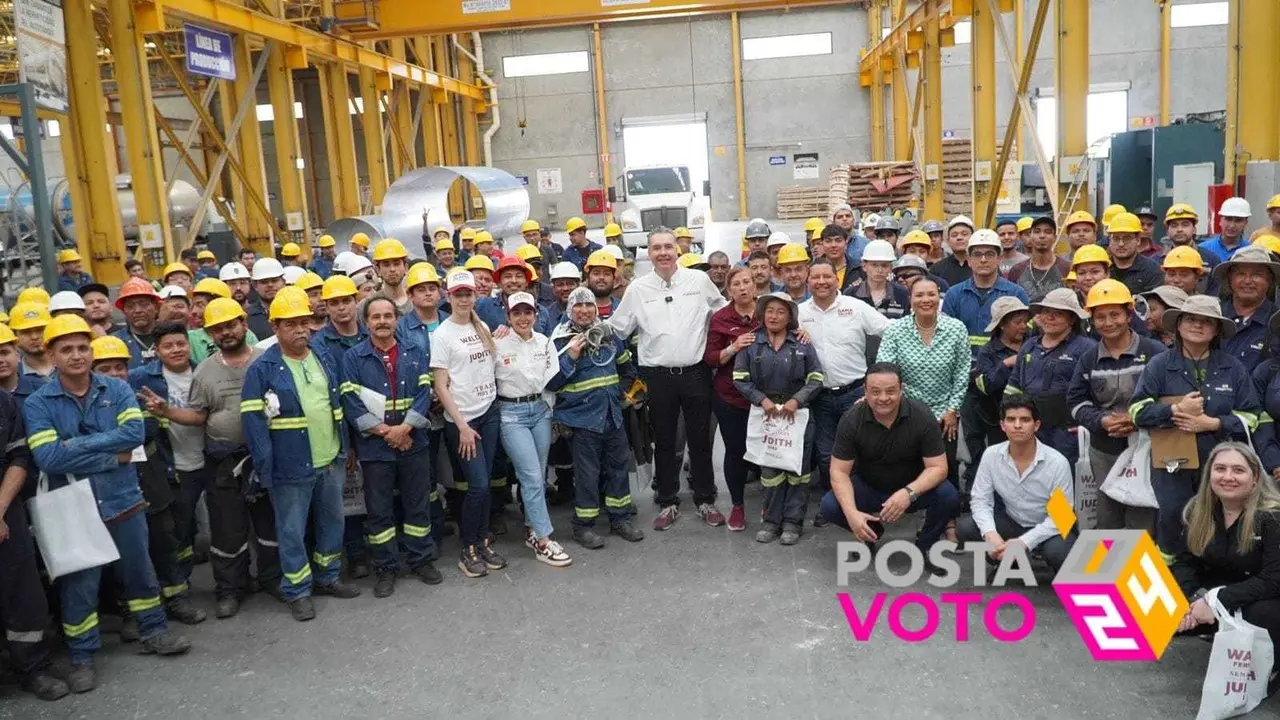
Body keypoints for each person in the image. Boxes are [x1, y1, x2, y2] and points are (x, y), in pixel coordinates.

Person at [24, 315, 191, 692]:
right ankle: (82, 655)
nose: (77, 355)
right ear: (51, 355)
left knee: (139, 570)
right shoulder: (37, 403)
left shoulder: (117, 390)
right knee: (81, 581)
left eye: (83, 347)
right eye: (66, 349)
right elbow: (48, 458)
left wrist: (75, 446)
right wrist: (110, 453)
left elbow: (132, 434)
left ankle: (154, 631)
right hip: (76, 505)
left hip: (124, 498)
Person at [139, 299, 281, 619]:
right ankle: (231, 589)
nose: (226, 332)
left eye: (230, 324)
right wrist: (168, 412)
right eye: (218, 329)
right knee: (227, 529)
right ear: (209, 335)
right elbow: (199, 416)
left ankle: (273, 579)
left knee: (268, 524)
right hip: (224, 462)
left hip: (264, 458)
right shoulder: (204, 371)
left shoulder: (267, 361)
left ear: (244, 324)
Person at [242, 287, 361, 621]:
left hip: (330, 457)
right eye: (290, 324)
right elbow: (253, 423)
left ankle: (328, 576)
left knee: (332, 521)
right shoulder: (262, 368)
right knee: (292, 530)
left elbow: (336, 405)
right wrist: (266, 468)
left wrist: (345, 445)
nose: (299, 329)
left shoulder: (321, 356)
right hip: (289, 465)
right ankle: (297, 589)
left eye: (303, 322)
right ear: (275, 327)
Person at [610, 228, 728, 531]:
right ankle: (667, 501)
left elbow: (723, 314)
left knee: (700, 440)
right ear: (647, 253)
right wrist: (584, 328)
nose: (663, 252)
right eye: (656, 248)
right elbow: (618, 328)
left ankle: (705, 499)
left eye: (668, 247)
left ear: (677, 250)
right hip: (658, 377)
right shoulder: (638, 289)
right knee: (664, 441)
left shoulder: (698, 282)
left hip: (696, 374)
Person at [1130, 294, 1260, 558]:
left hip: (1220, 462)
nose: (1198, 326)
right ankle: (1168, 575)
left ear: (1216, 330)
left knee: (1217, 516)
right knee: (1172, 515)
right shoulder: (1159, 365)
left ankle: (1210, 578)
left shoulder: (1233, 368)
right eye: (1191, 319)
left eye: (1206, 321)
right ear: (1178, 325)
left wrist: (1212, 423)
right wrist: (1174, 410)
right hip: (1171, 463)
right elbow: (1136, 411)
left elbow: (1252, 416)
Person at [340, 297, 442, 597]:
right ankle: (385, 567)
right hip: (376, 448)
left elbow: (425, 393)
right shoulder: (354, 358)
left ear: (396, 319)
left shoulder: (414, 351)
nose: (382, 321)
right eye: (376, 317)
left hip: (414, 441)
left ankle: (420, 559)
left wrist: (405, 428)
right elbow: (350, 402)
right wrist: (389, 432)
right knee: (379, 511)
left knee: (417, 503)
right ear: (366, 322)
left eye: (388, 315)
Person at [818, 362, 959, 558]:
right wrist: (852, 515)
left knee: (949, 496)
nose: (883, 398)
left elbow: (938, 467)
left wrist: (908, 493)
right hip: (869, 486)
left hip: (912, 487)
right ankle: (868, 531)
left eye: (891, 391)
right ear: (865, 391)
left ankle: (926, 543)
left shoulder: (922, 416)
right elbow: (839, 471)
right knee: (829, 506)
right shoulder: (851, 420)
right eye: (875, 392)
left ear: (902, 390)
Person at [125, 323, 209, 627]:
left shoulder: (204, 372)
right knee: (176, 533)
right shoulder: (140, 379)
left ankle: (179, 587)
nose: (176, 350)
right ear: (156, 351)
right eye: (168, 346)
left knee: (195, 531)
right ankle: (178, 592)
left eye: (180, 344)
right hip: (172, 467)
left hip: (207, 460)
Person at [548, 287, 644, 549]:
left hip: (612, 415)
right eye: (577, 306)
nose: (584, 311)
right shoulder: (560, 340)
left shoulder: (609, 336)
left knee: (618, 468)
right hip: (581, 420)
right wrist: (570, 357)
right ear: (570, 310)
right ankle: (584, 526)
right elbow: (552, 383)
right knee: (588, 475)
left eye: (588, 305)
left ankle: (620, 518)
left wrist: (623, 393)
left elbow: (627, 368)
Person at [1172, 442, 1280, 672]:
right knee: (1153, 604)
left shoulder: (1272, 517)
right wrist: (1186, 601)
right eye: (1220, 469)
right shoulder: (1197, 511)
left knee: (1260, 612)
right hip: (1221, 591)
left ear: (1255, 478)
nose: (1228, 477)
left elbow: (1273, 580)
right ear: (1209, 474)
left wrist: (1215, 602)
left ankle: (1269, 666)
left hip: (1263, 596)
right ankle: (1210, 626)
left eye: (1238, 470)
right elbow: (1187, 561)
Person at [1068, 280, 1166, 533]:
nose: (1108, 322)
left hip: (1148, 447)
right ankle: (1111, 571)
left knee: (1142, 516)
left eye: (1115, 314)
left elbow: (1168, 396)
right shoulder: (1089, 358)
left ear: (1129, 314)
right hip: (1106, 447)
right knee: (1108, 516)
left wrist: (1137, 420)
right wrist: (1102, 421)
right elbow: (1076, 401)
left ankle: (1139, 571)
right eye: (1100, 316)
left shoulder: (1154, 351)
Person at [798, 258, 891, 508]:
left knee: (863, 452)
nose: (821, 282)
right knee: (827, 455)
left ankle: (865, 503)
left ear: (836, 278)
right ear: (808, 281)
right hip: (820, 396)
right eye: (815, 277)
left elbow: (889, 331)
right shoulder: (800, 313)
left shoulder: (855, 307)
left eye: (826, 276)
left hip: (856, 394)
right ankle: (836, 503)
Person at [734, 292, 824, 545]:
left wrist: (798, 400)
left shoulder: (802, 343)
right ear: (762, 315)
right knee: (770, 470)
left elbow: (816, 377)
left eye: (781, 311)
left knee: (798, 471)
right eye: (770, 311)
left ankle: (793, 523)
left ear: (790, 317)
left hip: (798, 415)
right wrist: (762, 400)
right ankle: (771, 521)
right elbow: (740, 378)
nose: (774, 316)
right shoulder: (752, 343)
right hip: (766, 414)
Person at [431, 271, 505, 577]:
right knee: (476, 486)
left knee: (484, 484)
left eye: (468, 294)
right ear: (449, 297)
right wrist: (461, 425)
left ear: (475, 296)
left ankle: (483, 540)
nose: (463, 299)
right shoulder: (442, 334)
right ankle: (468, 548)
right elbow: (440, 386)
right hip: (464, 420)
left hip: (489, 413)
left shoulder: (482, 326)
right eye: (457, 294)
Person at [0, 373, 69, 701]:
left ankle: (33, 668)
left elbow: (19, 457)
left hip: (3, 505)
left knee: (22, 591)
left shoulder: (2, 402)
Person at [491, 291, 572, 566]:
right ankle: (544, 539)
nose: (523, 318)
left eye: (528, 312)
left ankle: (531, 527)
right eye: (517, 313)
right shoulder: (498, 343)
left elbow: (552, 379)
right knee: (531, 475)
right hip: (511, 414)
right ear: (508, 316)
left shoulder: (543, 342)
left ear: (536, 315)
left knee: (538, 475)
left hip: (540, 411)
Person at [957, 396, 1078, 571]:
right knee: (966, 527)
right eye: (1011, 419)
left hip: (1049, 529)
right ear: (1002, 425)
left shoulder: (1056, 463)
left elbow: (1061, 519)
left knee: (1059, 552)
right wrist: (991, 535)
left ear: (1036, 425)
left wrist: (1024, 542)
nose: (1017, 425)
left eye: (1025, 420)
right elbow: (980, 500)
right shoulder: (991, 455)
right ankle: (1009, 560)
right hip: (1012, 523)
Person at [876, 277, 970, 493]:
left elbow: (962, 372)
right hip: (906, 410)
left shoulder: (956, 329)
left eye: (931, 294)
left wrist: (952, 410)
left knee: (947, 467)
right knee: (909, 465)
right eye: (919, 295)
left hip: (945, 412)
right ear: (910, 299)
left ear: (939, 298)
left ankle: (948, 517)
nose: (926, 300)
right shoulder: (896, 330)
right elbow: (885, 369)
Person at [1004, 288, 1097, 469]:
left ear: (1072, 319)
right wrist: (1012, 418)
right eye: (1046, 312)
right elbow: (1014, 385)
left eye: (1058, 314)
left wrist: (1087, 425)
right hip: (1033, 431)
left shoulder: (1087, 349)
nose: (1049, 318)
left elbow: (1097, 392)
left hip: (1069, 434)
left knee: (1063, 487)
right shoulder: (1030, 346)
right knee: (1035, 479)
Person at [705, 267, 761, 532]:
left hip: (766, 398)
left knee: (766, 452)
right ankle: (737, 506)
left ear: (755, 285)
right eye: (736, 284)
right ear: (728, 290)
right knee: (736, 451)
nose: (742, 288)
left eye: (747, 282)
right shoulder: (721, 318)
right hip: (731, 397)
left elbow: (792, 333)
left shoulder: (769, 311)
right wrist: (734, 346)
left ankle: (768, 504)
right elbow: (711, 358)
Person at [969, 297, 1032, 488]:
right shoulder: (988, 352)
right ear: (1002, 325)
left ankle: (1059, 517)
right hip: (998, 421)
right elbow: (985, 386)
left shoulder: (1034, 345)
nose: (1023, 326)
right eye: (1017, 322)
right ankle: (1001, 509)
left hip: (1035, 418)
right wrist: (1006, 364)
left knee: (1037, 465)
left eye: (1025, 321)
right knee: (1004, 467)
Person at [941, 229, 1030, 353]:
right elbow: (945, 338)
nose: (983, 260)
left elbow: (1026, 335)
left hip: (1004, 365)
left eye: (989, 254)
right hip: (964, 367)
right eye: (977, 254)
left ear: (999, 259)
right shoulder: (954, 294)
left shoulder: (1016, 294)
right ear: (969, 260)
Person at [1211, 245, 1277, 369]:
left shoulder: (1277, 322)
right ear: (1230, 279)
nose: (1247, 281)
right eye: (1240, 274)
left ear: (1269, 280)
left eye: (1257, 275)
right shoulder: (1212, 315)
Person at [478, 255, 553, 333]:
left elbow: (547, 342)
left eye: (519, 276)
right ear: (499, 283)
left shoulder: (541, 312)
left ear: (526, 282)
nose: (514, 280)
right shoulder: (483, 306)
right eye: (508, 276)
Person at [1008, 216, 1070, 301]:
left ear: (1054, 238)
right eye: (1037, 232)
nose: (1042, 236)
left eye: (1048, 232)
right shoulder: (1017, 270)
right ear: (1031, 236)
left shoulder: (1067, 268)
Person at [849, 239, 909, 319]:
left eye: (884, 265)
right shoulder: (851, 294)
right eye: (874, 265)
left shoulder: (901, 294)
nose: (879, 270)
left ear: (890, 268)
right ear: (864, 266)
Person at [1106, 212, 1164, 294]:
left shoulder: (1153, 271)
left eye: (1127, 238)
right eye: (1116, 238)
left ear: (1138, 240)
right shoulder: (1102, 269)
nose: (1121, 244)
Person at [112, 278, 163, 368]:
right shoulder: (115, 342)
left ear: (156, 307)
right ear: (124, 311)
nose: (137, 310)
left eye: (143, 304)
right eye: (130, 306)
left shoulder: (171, 336)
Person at [1200, 197, 1252, 262]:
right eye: (1228, 219)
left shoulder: (1251, 252)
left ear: (1246, 223)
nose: (1232, 225)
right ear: (1220, 220)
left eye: (1238, 220)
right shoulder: (1203, 249)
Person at [10, 303, 53, 380]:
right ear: (15, 336)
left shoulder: (69, 364)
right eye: (26, 332)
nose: (34, 337)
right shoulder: (12, 376)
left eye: (40, 330)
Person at [246, 257, 286, 340]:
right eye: (264, 282)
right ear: (255, 285)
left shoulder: (297, 310)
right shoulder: (247, 318)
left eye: (274, 280)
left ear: (283, 282)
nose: (270, 285)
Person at [929, 215, 975, 287]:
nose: (959, 238)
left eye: (964, 234)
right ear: (948, 241)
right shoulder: (937, 269)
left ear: (973, 237)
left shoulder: (983, 265)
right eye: (954, 235)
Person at [370, 238, 411, 312]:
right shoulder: (368, 305)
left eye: (396, 264)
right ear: (378, 270)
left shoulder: (417, 301)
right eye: (386, 265)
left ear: (405, 268)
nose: (392, 269)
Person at [816, 224, 860, 293]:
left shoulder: (859, 268)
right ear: (822, 244)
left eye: (838, 240)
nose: (833, 245)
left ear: (846, 242)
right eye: (828, 241)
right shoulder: (813, 269)